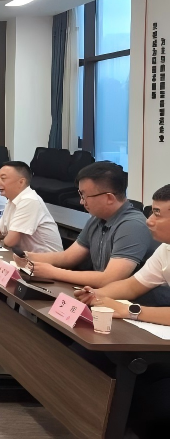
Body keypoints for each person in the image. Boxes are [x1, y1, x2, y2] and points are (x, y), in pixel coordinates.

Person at [75, 184, 170, 439]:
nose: (149, 221)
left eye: (158, 214)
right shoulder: (166, 249)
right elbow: (133, 285)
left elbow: (133, 304)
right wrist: (98, 295)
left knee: (151, 400)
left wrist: (131, 311)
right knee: (93, 355)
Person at [14, 161, 156, 287]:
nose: (82, 201)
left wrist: (52, 272)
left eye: (85, 195)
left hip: (135, 303)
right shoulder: (97, 219)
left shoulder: (132, 225)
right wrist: (26, 256)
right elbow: (67, 258)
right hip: (102, 294)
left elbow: (110, 279)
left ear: (109, 198)